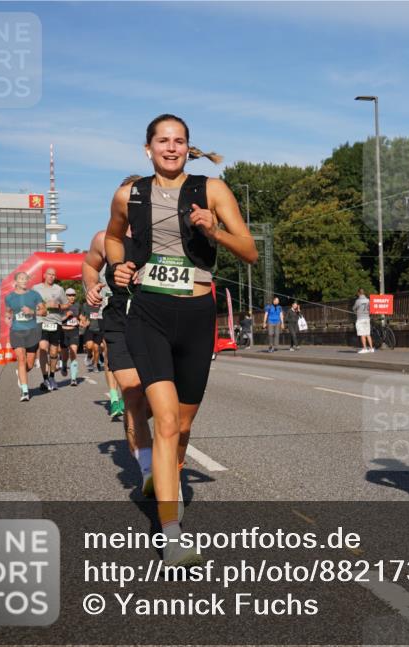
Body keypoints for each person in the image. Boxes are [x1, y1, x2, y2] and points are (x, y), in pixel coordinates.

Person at [106, 114, 257, 566]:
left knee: (185, 426)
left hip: (196, 314)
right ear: (147, 148)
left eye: (179, 141)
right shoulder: (128, 194)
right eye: (162, 141)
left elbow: (249, 250)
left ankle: (165, 479)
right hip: (148, 312)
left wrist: (214, 231)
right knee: (166, 422)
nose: (170, 148)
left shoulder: (213, 190)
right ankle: (171, 533)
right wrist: (120, 268)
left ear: (188, 147)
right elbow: (114, 239)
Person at [83, 177, 153, 485]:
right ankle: (149, 473)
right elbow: (88, 265)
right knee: (133, 392)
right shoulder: (103, 238)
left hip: (158, 320)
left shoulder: (161, 236)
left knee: (163, 405)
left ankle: (139, 424)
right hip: (120, 321)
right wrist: (90, 286)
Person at [4, 272, 45, 402]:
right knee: (21, 359)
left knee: (30, 364)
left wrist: (32, 311)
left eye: (25, 279)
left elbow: (44, 311)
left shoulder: (34, 295)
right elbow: (8, 312)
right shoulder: (9, 297)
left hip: (32, 331)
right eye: (21, 279)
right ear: (15, 281)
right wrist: (7, 318)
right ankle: (25, 390)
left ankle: (21, 374)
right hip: (16, 331)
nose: (24, 281)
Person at [33, 267, 69, 392]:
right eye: (49, 274)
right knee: (43, 348)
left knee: (54, 352)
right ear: (44, 275)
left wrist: (58, 305)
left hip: (55, 322)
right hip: (41, 322)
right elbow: (31, 303)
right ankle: (45, 378)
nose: (51, 277)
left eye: (54, 275)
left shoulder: (59, 289)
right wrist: (43, 306)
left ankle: (52, 377)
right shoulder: (36, 288)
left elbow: (66, 304)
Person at [60, 288, 81, 386]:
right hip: (63, 331)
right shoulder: (61, 306)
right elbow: (57, 319)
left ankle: (73, 378)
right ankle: (64, 364)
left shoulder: (77, 305)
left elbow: (80, 317)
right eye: (69, 295)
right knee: (65, 355)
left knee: (73, 353)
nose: (71, 297)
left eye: (73, 295)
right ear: (65, 296)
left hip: (74, 331)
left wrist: (82, 321)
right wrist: (66, 316)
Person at [353, 288, 374, 353]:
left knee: (362, 334)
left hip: (360, 319)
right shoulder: (368, 300)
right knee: (368, 334)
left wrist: (356, 311)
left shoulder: (358, 301)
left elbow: (354, 308)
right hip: (367, 318)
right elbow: (370, 309)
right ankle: (371, 348)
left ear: (359, 293)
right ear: (364, 293)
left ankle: (364, 348)